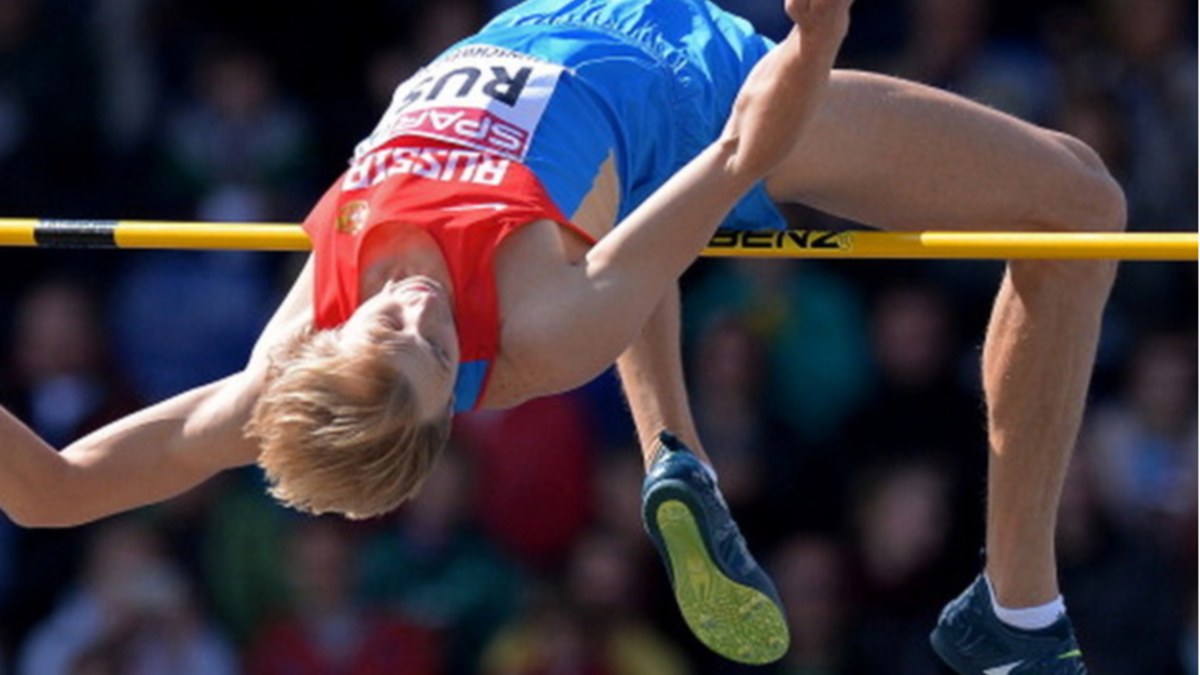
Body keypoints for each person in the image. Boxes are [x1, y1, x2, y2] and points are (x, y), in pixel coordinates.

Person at [0, 0, 1125, 672]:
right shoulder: (544, 328)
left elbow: (44, 489)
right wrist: (817, 31)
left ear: (318, 348)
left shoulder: (277, 370)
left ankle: (674, 454)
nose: (422, 317)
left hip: (537, 26)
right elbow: (735, 153)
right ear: (456, 404)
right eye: (440, 358)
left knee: (612, 256)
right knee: (1079, 203)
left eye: (390, 326)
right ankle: (1019, 610)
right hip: (691, 87)